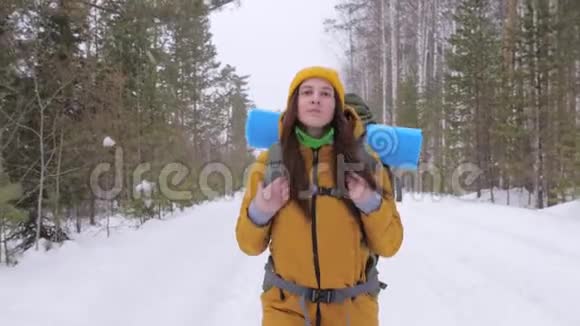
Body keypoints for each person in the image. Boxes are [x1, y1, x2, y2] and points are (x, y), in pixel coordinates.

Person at [235, 66, 404, 326]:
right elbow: (248, 245)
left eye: (326, 93)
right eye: (307, 92)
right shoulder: (271, 161)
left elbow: (390, 245)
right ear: (295, 103)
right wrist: (261, 210)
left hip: (353, 310)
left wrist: (370, 202)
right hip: (285, 309)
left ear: (337, 106)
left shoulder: (367, 163)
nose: (316, 98)